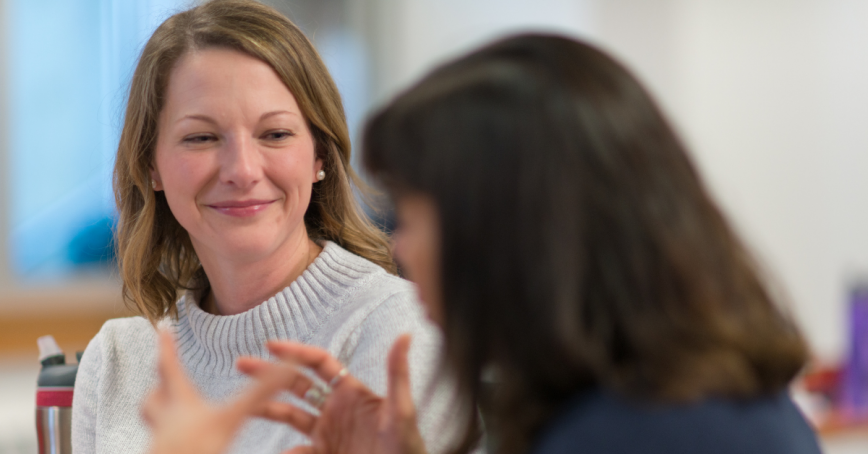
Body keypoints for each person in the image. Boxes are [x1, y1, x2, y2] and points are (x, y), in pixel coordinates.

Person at [142, 33, 824, 454]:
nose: (401, 249)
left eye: (412, 214)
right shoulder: (670, 407)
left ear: (507, 229)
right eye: (201, 137)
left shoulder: (638, 435)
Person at [71, 1, 456, 453]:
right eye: (202, 138)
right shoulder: (117, 360)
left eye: (274, 134)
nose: (243, 170)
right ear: (151, 166)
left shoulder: (399, 332)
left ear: (319, 157)